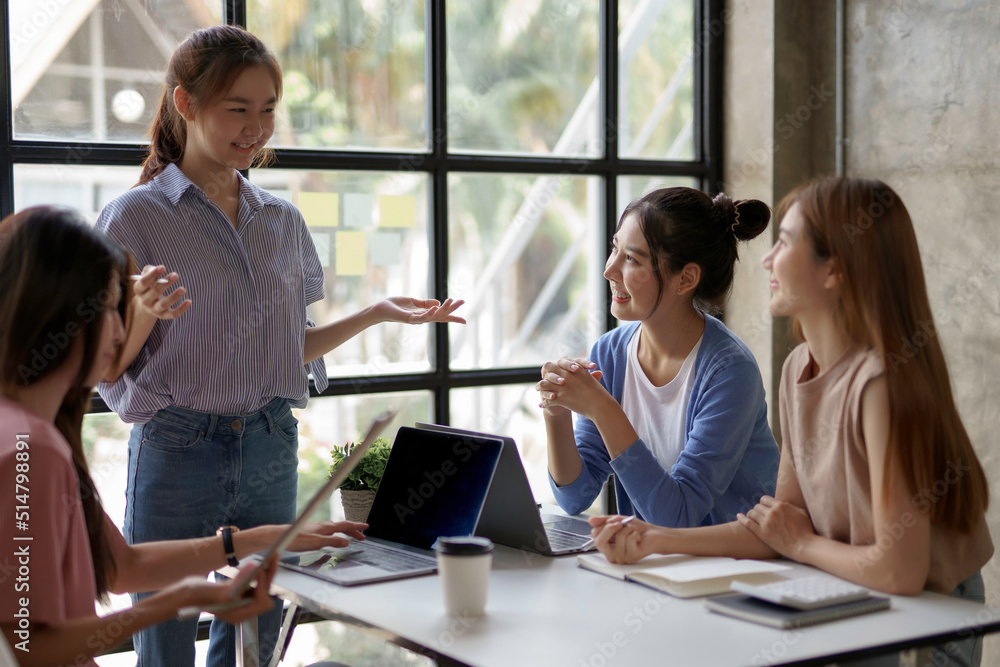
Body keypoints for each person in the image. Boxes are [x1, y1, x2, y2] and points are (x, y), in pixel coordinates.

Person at [95, 25, 464, 667]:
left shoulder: (282, 221)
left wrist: (376, 314)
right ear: (185, 104)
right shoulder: (134, 218)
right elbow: (104, 370)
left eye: (267, 109)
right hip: (177, 446)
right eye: (238, 108)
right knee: (165, 641)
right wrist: (146, 316)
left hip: (269, 438)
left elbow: (285, 350)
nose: (256, 127)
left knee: (256, 638)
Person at [589, 178, 993, 667]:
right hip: (855, 602)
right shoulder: (798, 367)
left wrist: (801, 543)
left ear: (833, 271)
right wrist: (653, 538)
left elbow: (898, 572)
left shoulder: (880, 383)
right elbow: (772, 526)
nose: (765, 259)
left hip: (924, 629)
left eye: (784, 243)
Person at [0, 207, 371, 667]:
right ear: (56, 313)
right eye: (112, 308)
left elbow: (120, 568)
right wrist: (178, 599)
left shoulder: (38, 433)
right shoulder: (26, 449)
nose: (120, 332)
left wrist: (269, 539)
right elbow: (27, 645)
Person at [537, 187, 780, 527]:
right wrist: (557, 413)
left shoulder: (729, 371)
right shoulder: (609, 353)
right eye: (614, 249)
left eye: (632, 259)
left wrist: (602, 408)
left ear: (686, 279)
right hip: (652, 564)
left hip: (733, 567)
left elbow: (678, 516)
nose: (609, 270)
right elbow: (574, 497)